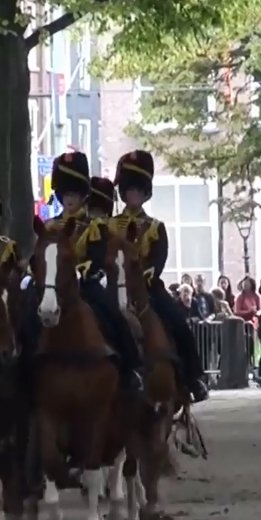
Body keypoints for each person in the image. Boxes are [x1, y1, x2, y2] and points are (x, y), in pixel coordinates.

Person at [110, 150, 208, 402]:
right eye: (129, 189)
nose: (133, 194)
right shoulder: (108, 226)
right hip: (115, 286)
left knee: (177, 321)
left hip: (148, 287)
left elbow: (159, 257)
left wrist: (147, 273)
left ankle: (193, 377)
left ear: (145, 193)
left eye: (138, 190)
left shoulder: (155, 227)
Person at [46, 151, 143, 395]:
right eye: (66, 194)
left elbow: (97, 256)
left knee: (115, 315)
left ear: (83, 196)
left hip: (84, 284)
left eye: (74, 194)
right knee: (24, 316)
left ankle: (130, 370)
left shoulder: (95, 226)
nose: (69, 199)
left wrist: (84, 270)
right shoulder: (50, 226)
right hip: (52, 285)